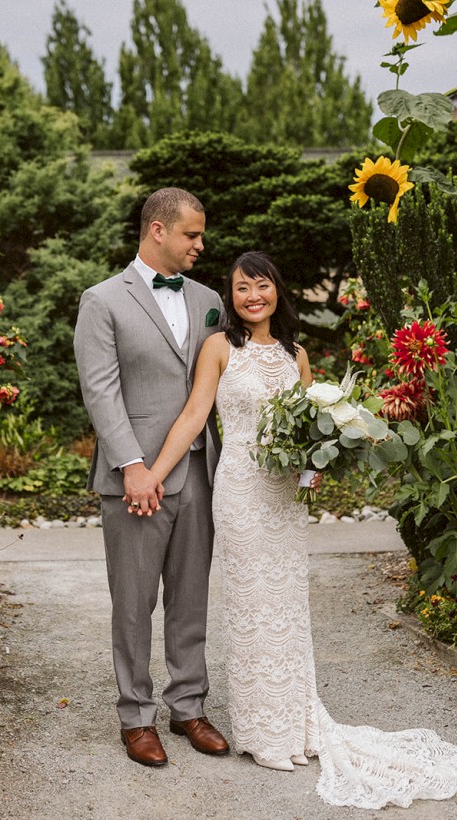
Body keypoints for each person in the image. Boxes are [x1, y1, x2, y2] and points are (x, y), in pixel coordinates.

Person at [146, 250, 457, 809]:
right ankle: (262, 733)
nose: (252, 297)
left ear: (276, 291)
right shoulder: (218, 348)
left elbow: (315, 431)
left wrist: (314, 470)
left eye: (260, 286)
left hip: (284, 497)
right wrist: (151, 474)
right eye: (241, 289)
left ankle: (295, 725)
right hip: (240, 489)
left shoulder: (296, 354)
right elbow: (195, 416)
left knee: (287, 604)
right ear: (230, 297)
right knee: (250, 603)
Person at [73, 187, 229, 768]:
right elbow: (100, 389)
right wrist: (133, 466)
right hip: (134, 480)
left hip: (200, 473)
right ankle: (135, 717)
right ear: (158, 230)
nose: (200, 245)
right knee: (133, 604)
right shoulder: (102, 301)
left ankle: (188, 706)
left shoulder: (211, 299)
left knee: (191, 599)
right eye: (191, 234)